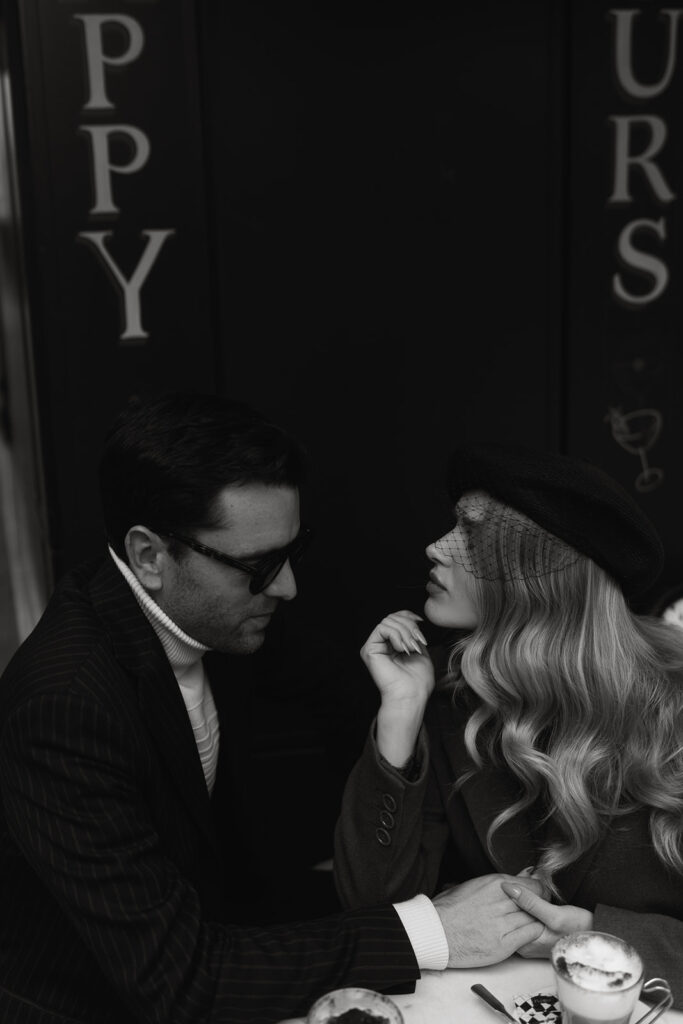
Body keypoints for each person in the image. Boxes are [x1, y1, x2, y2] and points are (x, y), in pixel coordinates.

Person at [0, 397, 545, 1024]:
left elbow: (337, 698)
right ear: (149, 556)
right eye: (259, 567)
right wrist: (434, 930)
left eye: (293, 551)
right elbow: (178, 981)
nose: (287, 587)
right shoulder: (64, 708)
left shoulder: (217, 602)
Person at [334, 443, 683, 1007]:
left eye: (469, 536)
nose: (435, 546)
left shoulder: (676, 703)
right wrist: (401, 711)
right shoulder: (453, 701)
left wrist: (590, 934)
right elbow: (375, 914)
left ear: (536, 575)